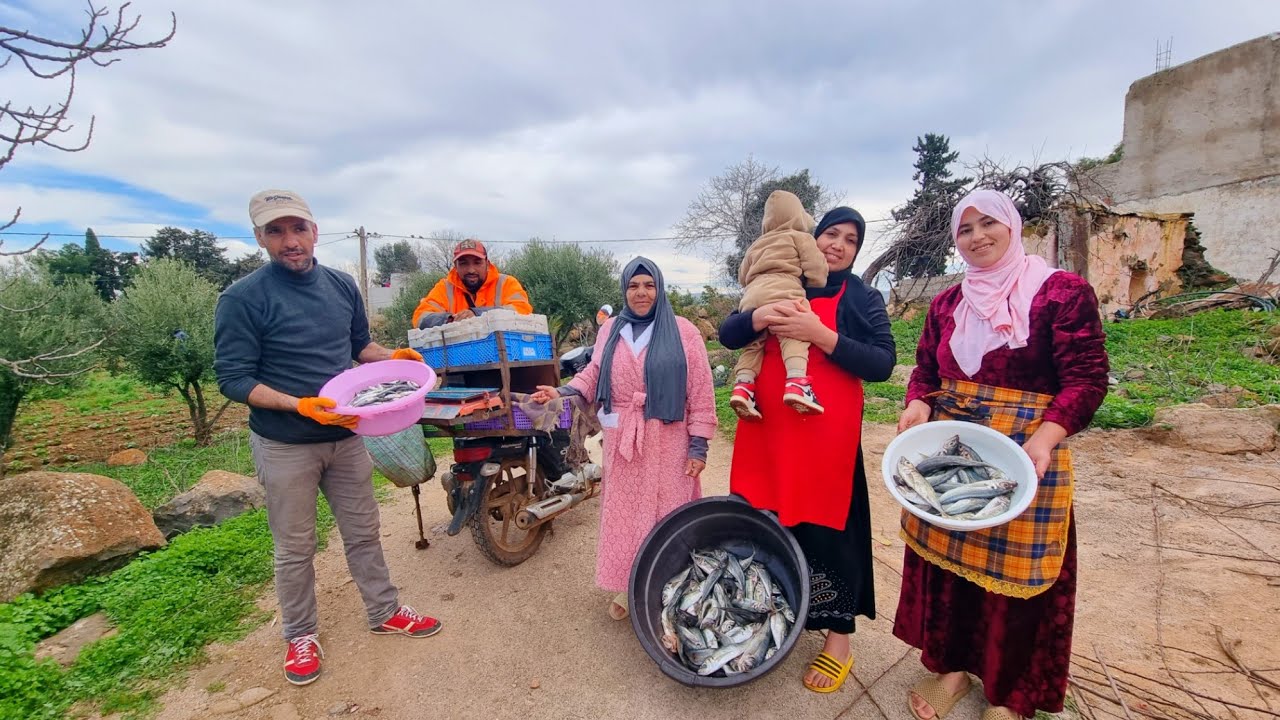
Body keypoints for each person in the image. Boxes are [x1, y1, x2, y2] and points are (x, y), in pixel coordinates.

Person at [892, 189, 1109, 720]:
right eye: (964, 230)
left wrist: (1046, 437)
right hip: (950, 451)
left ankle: (1010, 698)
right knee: (947, 568)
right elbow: (926, 369)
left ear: (1012, 226)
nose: (977, 237)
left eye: (988, 223)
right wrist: (918, 401)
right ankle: (952, 672)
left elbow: (1087, 378)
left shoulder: (1060, 293)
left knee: (1016, 582)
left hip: (1023, 457)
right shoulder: (948, 303)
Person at [214, 189, 443, 687]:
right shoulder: (242, 299)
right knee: (294, 547)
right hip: (284, 442)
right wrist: (298, 404)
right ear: (259, 238)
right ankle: (300, 634)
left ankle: (384, 611)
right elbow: (233, 378)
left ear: (315, 231)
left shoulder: (341, 285)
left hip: (346, 436)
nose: (290, 241)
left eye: (298, 229)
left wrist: (392, 358)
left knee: (363, 532)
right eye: (276, 231)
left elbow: (358, 345)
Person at [718, 206, 896, 693]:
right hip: (767, 435)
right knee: (769, 528)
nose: (837, 245)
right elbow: (729, 334)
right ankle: (779, 616)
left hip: (825, 442)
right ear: (809, 238)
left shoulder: (861, 297)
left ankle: (838, 638)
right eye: (830, 234)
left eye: (851, 240)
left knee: (831, 533)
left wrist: (821, 335)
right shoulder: (779, 280)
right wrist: (756, 316)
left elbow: (882, 362)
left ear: (858, 251)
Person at [530, 257, 717, 620]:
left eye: (649, 285)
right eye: (634, 286)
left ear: (660, 289)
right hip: (625, 439)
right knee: (626, 515)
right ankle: (629, 584)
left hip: (669, 439)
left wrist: (699, 444)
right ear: (624, 290)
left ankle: (672, 587)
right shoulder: (611, 329)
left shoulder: (683, 331)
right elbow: (594, 371)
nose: (641, 292)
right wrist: (562, 391)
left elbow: (701, 390)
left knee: (668, 513)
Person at [729, 190, 830, 418]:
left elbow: (742, 276)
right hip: (784, 289)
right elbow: (816, 269)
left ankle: (743, 386)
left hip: (752, 296)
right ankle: (796, 382)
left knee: (753, 344)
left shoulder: (757, 244)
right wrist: (814, 284)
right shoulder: (799, 237)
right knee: (794, 335)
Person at [410, 238, 533, 328]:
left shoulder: (506, 283)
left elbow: (523, 310)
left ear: (487, 263)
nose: (471, 270)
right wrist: (451, 320)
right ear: (455, 266)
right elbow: (420, 317)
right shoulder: (445, 287)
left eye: (477, 262)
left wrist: (477, 314)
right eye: (464, 263)